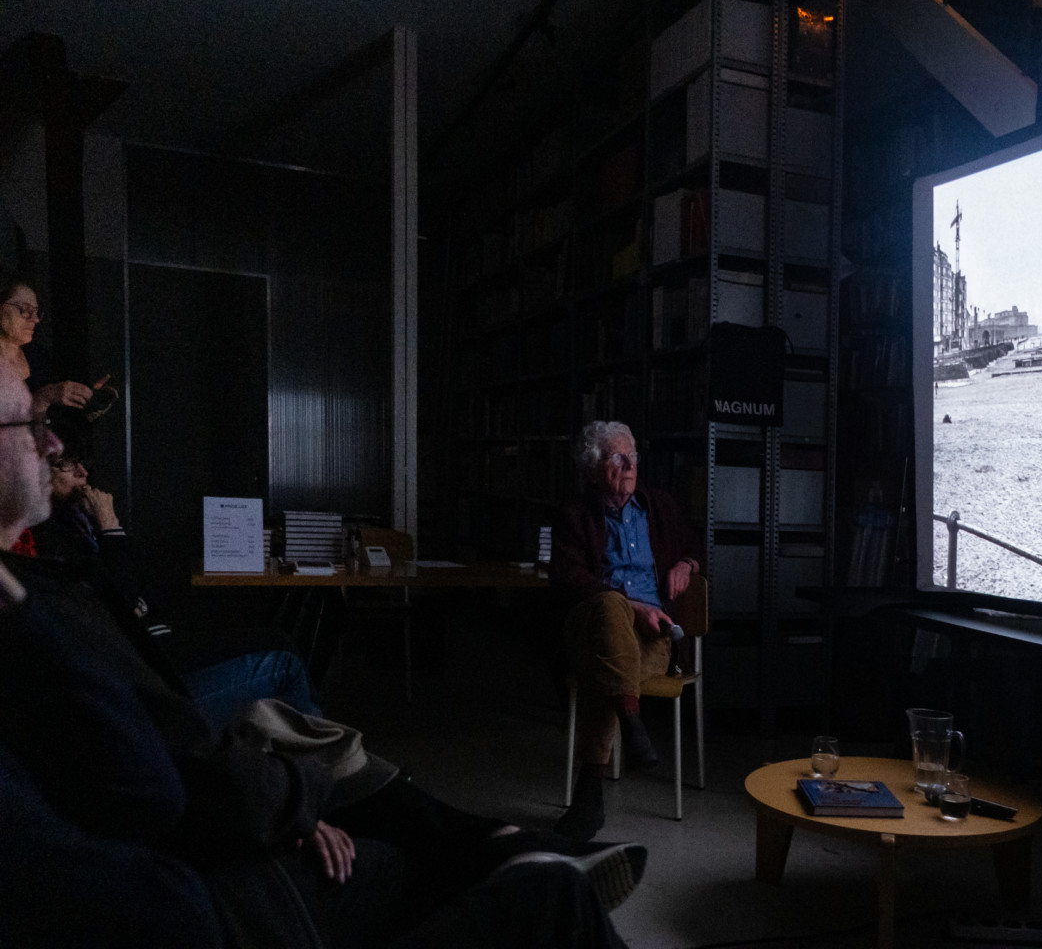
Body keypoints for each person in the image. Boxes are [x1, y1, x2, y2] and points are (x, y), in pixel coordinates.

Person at [0, 370, 640, 947]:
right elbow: (152, 768)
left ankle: (500, 840)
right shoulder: (31, 610)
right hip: (219, 888)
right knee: (296, 704)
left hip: (209, 834)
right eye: (30, 424)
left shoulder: (36, 582)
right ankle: (503, 840)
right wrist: (295, 804)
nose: (52, 446)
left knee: (294, 690)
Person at [30, 427, 321, 730]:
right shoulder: (49, 535)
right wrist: (110, 528)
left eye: (82, 462)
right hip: (142, 670)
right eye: (68, 463)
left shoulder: (76, 520)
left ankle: (300, 747)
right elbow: (119, 604)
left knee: (280, 640)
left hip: (155, 644)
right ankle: (321, 751)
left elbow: (132, 590)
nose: (83, 472)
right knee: (285, 663)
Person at [551, 420, 704, 840]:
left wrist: (685, 564)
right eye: (618, 457)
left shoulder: (661, 507)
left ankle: (590, 792)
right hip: (594, 623)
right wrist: (631, 605)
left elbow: (696, 546)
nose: (630, 464)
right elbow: (567, 578)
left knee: (607, 667)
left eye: (632, 455)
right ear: (592, 468)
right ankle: (632, 722)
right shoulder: (574, 515)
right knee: (610, 606)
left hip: (653, 636)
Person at [0, 276, 101, 412]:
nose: (35, 319)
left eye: (36, 311)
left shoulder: (39, 357)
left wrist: (86, 398)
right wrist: (43, 397)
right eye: (24, 309)